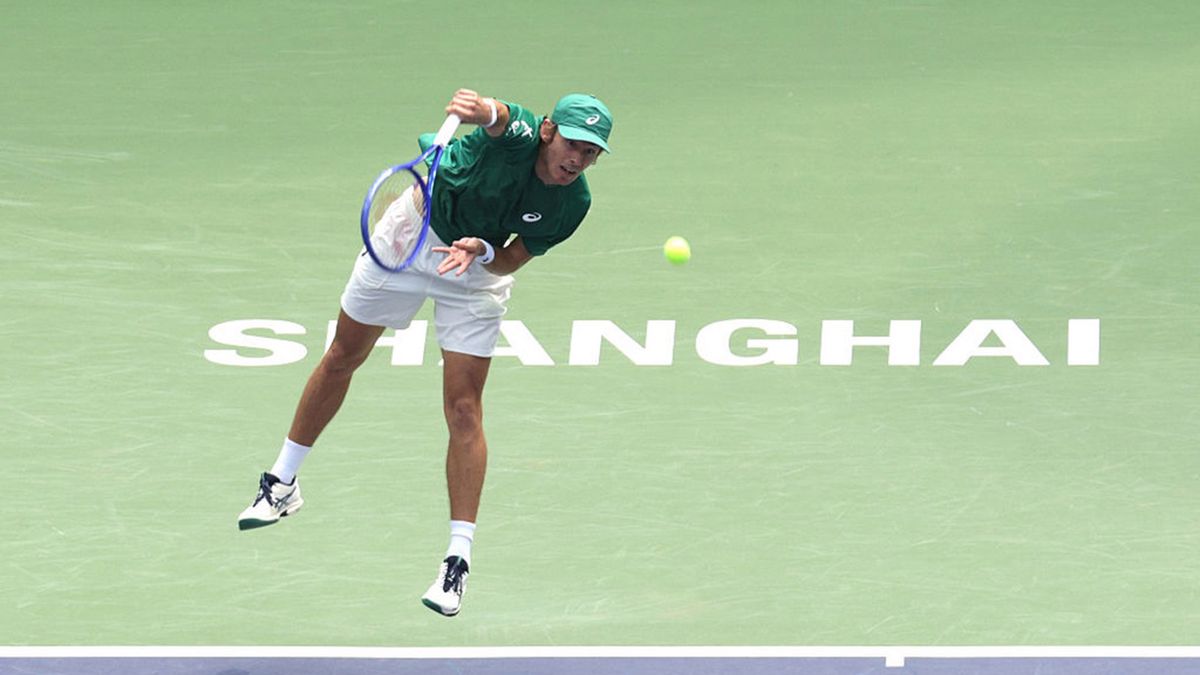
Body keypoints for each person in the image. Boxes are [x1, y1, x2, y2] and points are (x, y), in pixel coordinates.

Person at [236, 88, 613, 618]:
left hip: (471, 269)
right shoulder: (523, 135)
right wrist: (478, 109)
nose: (578, 159)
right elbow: (498, 116)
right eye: (573, 143)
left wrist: (481, 250)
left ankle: (457, 560)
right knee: (343, 355)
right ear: (550, 132)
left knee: (464, 410)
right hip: (412, 234)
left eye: (591, 152)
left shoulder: (574, 203)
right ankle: (280, 483)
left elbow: (510, 260)